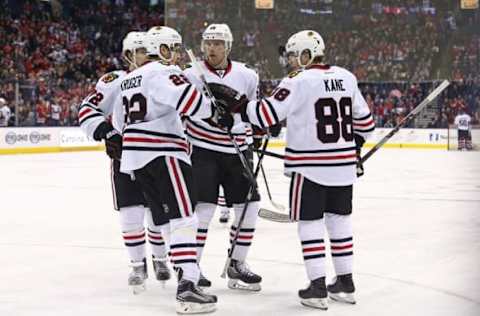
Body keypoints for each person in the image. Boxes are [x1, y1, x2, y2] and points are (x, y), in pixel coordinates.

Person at [217, 30, 375, 310]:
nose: (289, 61)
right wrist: (356, 149)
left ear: (306, 55)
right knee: (340, 223)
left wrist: (238, 107)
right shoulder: (346, 77)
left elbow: (265, 115)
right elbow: (366, 124)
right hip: (342, 167)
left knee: (310, 225)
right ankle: (345, 283)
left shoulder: (298, 80)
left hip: (309, 168)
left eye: (292, 55)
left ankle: (316, 288)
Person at [119, 26, 218, 314]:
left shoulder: (129, 79)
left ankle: (184, 275)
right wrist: (211, 108)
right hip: (164, 153)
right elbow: (186, 101)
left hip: (136, 159)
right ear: (160, 49)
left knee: (168, 219)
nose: (174, 54)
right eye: (171, 48)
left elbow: (117, 121)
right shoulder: (160, 72)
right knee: (185, 217)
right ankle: (187, 286)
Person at [182, 23, 279, 291]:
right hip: (203, 149)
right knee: (203, 211)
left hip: (238, 149)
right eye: (207, 43)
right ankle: (193, 267)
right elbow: (183, 109)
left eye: (217, 43)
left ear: (228, 46)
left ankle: (237, 264)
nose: (211, 48)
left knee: (248, 209)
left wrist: (264, 125)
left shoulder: (248, 75)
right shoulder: (190, 74)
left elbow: (252, 109)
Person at [78, 31, 171, 295]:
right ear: (129, 55)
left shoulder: (160, 76)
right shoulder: (116, 81)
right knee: (131, 212)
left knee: (157, 212)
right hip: (126, 157)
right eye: (141, 51)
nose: (146, 57)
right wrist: (106, 132)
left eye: (149, 51)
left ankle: (160, 258)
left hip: (157, 155)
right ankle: (137, 264)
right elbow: (87, 108)